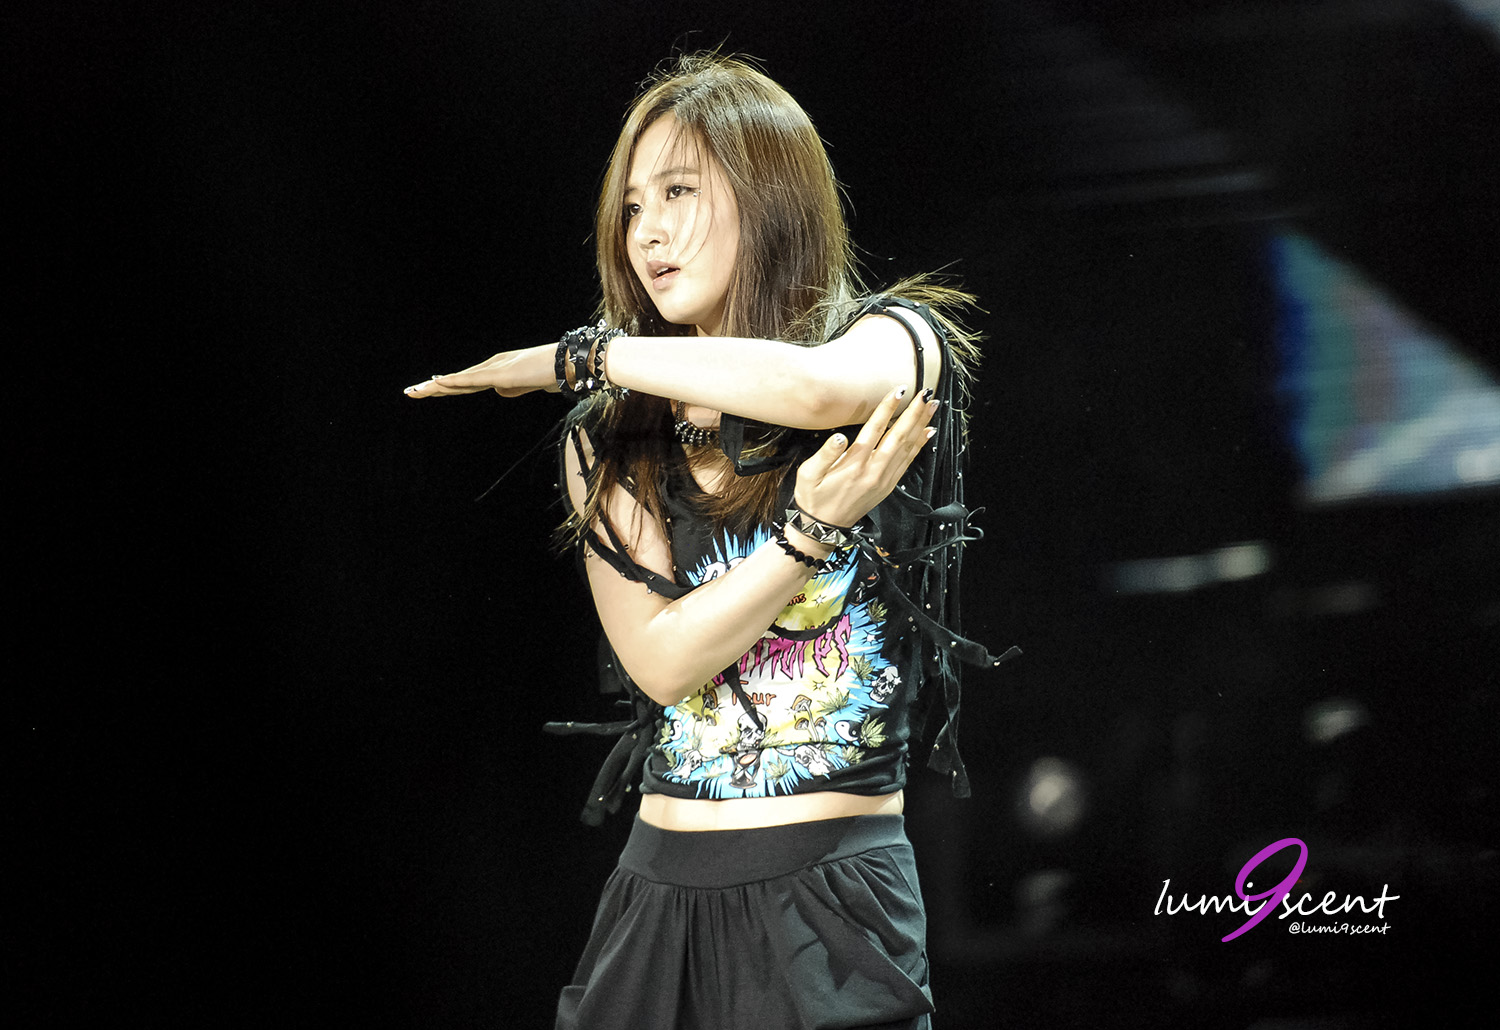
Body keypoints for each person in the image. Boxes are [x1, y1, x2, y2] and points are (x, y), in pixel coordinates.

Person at [404, 53, 1016, 1030]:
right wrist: (806, 535)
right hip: (658, 895)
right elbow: (659, 661)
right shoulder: (609, 437)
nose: (646, 231)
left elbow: (810, 390)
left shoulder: (897, 339)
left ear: (767, 195)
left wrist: (580, 355)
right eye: (631, 207)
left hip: (833, 902)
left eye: (678, 192)